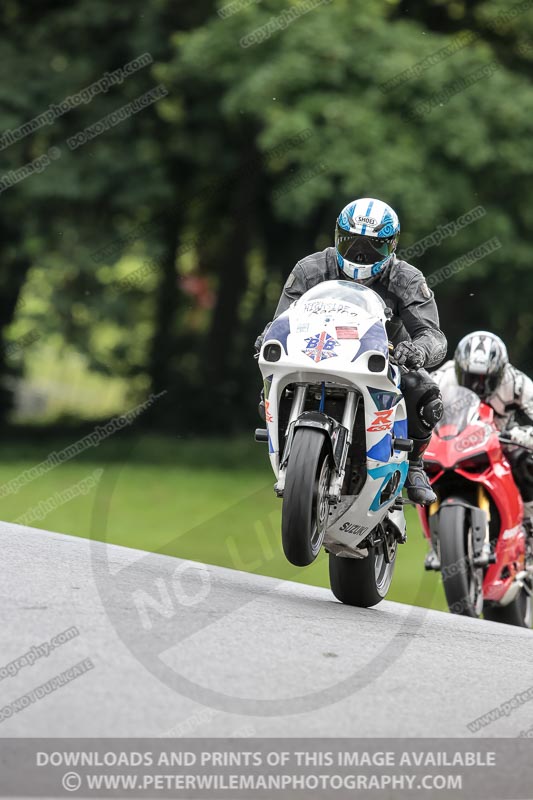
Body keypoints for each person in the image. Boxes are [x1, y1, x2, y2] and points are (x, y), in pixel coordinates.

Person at [255, 197, 447, 505]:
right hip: (314, 354)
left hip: (379, 361)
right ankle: (284, 443)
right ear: (337, 237)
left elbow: (433, 335)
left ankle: (414, 465)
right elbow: (281, 320)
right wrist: (266, 336)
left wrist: (417, 351)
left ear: (392, 245)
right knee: (269, 388)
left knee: (424, 391)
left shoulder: (407, 279)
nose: (361, 253)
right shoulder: (310, 269)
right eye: (351, 242)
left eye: (373, 246)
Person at [435, 331, 533, 526]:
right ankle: (433, 542)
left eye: (486, 379)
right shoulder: (440, 379)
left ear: (501, 372)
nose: (478, 387)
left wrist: (523, 434)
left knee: (526, 461)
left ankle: (529, 524)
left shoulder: (516, 382)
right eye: (471, 377)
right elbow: (416, 410)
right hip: (450, 444)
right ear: (458, 369)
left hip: (499, 442)